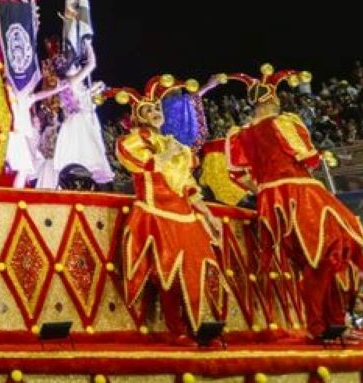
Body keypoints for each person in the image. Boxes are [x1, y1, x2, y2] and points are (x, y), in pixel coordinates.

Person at [224, 65, 363, 342]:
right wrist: (322, 156)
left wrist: (265, 188)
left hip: (272, 199)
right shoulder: (284, 122)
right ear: (272, 100)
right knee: (330, 251)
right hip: (300, 194)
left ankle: (329, 325)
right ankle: (325, 325)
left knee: (312, 261)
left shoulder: (238, 134)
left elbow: (237, 174)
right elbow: (307, 157)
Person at [107, 76, 223, 343]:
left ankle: (200, 328)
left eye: (158, 108)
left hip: (184, 214)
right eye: (149, 110)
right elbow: (144, 165)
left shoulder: (176, 145)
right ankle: (178, 331)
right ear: (137, 116)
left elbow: (188, 185)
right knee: (168, 274)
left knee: (195, 272)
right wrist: (169, 152)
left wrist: (208, 214)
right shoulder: (131, 141)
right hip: (156, 213)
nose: (156, 113)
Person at [30, 37, 112, 188]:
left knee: (81, 157)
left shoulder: (67, 84)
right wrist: (88, 45)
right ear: (69, 69)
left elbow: (84, 97)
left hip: (76, 122)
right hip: (79, 122)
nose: (77, 68)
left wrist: (95, 89)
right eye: (75, 66)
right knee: (85, 155)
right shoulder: (72, 80)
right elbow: (91, 64)